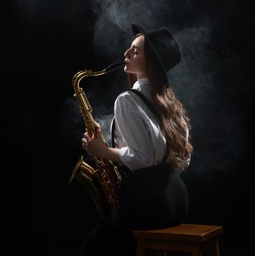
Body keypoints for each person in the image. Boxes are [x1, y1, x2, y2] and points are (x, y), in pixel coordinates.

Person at [80, 23, 193, 256]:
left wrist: (103, 151)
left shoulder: (126, 100)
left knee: (92, 248)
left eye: (135, 50)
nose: (126, 54)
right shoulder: (170, 101)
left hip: (149, 205)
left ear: (150, 63)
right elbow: (183, 157)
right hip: (178, 201)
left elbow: (142, 159)